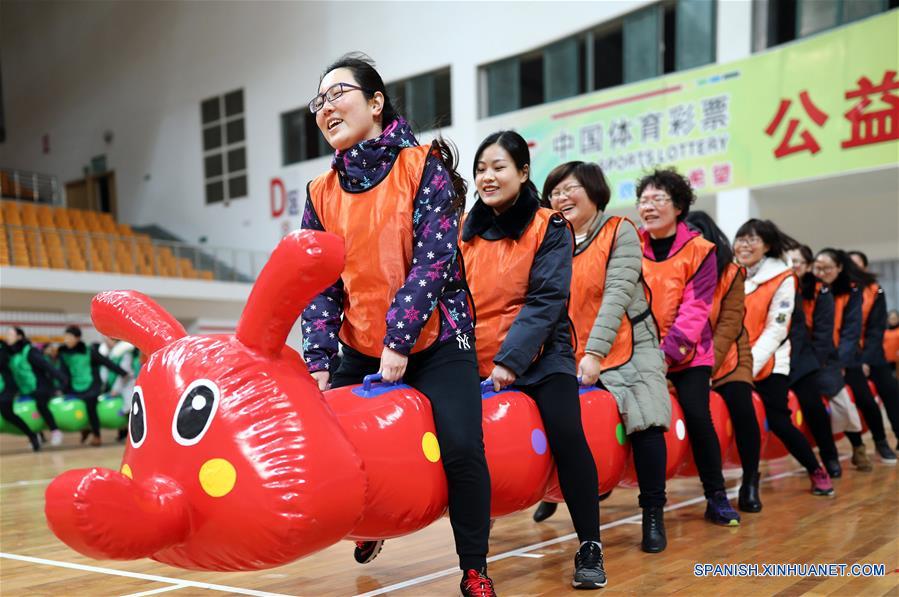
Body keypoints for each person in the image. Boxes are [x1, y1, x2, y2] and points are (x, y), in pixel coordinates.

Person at [299, 54, 495, 596]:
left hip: (436, 336)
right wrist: (318, 363)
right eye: (319, 101)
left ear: (376, 102)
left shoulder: (421, 164)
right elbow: (320, 283)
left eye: (338, 93)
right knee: (337, 447)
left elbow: (434, 259)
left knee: (461, 447)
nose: (326, 108)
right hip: (359, 341)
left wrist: (399, 340)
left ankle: (474, 566)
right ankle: (372, 526)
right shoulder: (320, 192)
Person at [460, 132, 606, 589]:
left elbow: (546, 301)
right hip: (476, 357)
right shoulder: (465, 232)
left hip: (542, 357)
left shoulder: (551, 226)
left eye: (499, 166)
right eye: (481, 167)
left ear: (523, 173)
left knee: (567, 434)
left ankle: (589, 546)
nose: (488, 176)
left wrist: (510, 361)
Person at [535, 161, 671, 553]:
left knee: (646, 419)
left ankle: (652, 512)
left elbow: (615, 296)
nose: (561, 198)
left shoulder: (619, 231)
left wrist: (594, 353)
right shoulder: (549, 239)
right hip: (571, 347)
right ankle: (552, 492)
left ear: (594, 193)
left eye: (570, 189)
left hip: (630, 344)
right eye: (555, 192)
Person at [636, 168, 740, 526]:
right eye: (643, 200)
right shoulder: (630, 245)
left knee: (698, 415)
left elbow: (696, 309)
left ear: (678, 206)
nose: (648, 207)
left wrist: (666, 356)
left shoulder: (700, 251)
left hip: (688, 354)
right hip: (638, 351)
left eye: (658, 199)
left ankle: (716, 495)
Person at [733, 220, 833, 496]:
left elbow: (776, 329)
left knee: (778, 421)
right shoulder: (730, 272)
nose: (745, 245)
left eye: (752, 240)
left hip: (770, 359)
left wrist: (748, 364)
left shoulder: (783, 277)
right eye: (741, 239)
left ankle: (815, 468)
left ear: (767, 245)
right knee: (742, 418)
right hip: (733, 359)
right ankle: (749, 480)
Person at [685, 211, 761, 512]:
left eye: (697, 234)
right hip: (686, 353)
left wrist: (708, 368)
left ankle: (751, 479)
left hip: (728, 354)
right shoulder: (679, 267)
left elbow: (729, 324)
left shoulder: (731, 272)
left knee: (742, 408)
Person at [814, 249, 897, 464]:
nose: (822, 272)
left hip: (857, 354)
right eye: (819, 268)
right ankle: (856, 446)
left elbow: (860, 331)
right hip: (823, 357)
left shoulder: (864, 291)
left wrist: (852, 361)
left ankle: (881, 442)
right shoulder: (814, 290)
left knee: (870, 397)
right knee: (840, 401)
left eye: (828, 268)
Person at [785, 244, 841, 478]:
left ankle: (830, 456)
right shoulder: (779, 284)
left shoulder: (820, 291)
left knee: (813, 405)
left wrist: (815, 364)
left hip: (808, 359)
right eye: (790, 261)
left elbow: (823, 334)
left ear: (808, 267)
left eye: (798, 262)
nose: (793, 266)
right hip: (776, 359)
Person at [848, 251, 899, 450]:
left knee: (890, 388)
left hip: (871, 352)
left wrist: (866, 359)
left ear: (865, 268)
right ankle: (878, 441)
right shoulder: (837, 292)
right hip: (847, 354)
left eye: (857, 264)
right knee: (864, 397)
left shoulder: (874, 291)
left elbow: (876, 329)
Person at [57, 325, 129, 447]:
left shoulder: (89, 351)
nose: (66, 340)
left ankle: (97, 435)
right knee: (77, 405)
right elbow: (63, 373)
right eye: (65, 337)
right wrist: (61, 388)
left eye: (69, 337)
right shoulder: (64, 354)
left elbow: (106, 362)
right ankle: (85, 428)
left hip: (92, 386)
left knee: (91, 405)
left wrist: (123, 373)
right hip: (75, 385)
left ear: (77, 338)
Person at [5, 327, 68, 446]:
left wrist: (62, 381)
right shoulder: (12, 353)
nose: (7, 336)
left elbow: (47, 366)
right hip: (25, 388)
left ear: (19, 337)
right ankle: (38, 436)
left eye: (10, 334)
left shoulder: (30, 351)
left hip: (41, 386)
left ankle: (55, 431)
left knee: (41, 404)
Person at [1, 340, 41, 451]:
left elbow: (3, 362)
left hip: (6, 387)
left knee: (7, 412)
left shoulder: (3, 348)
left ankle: (32, 435)